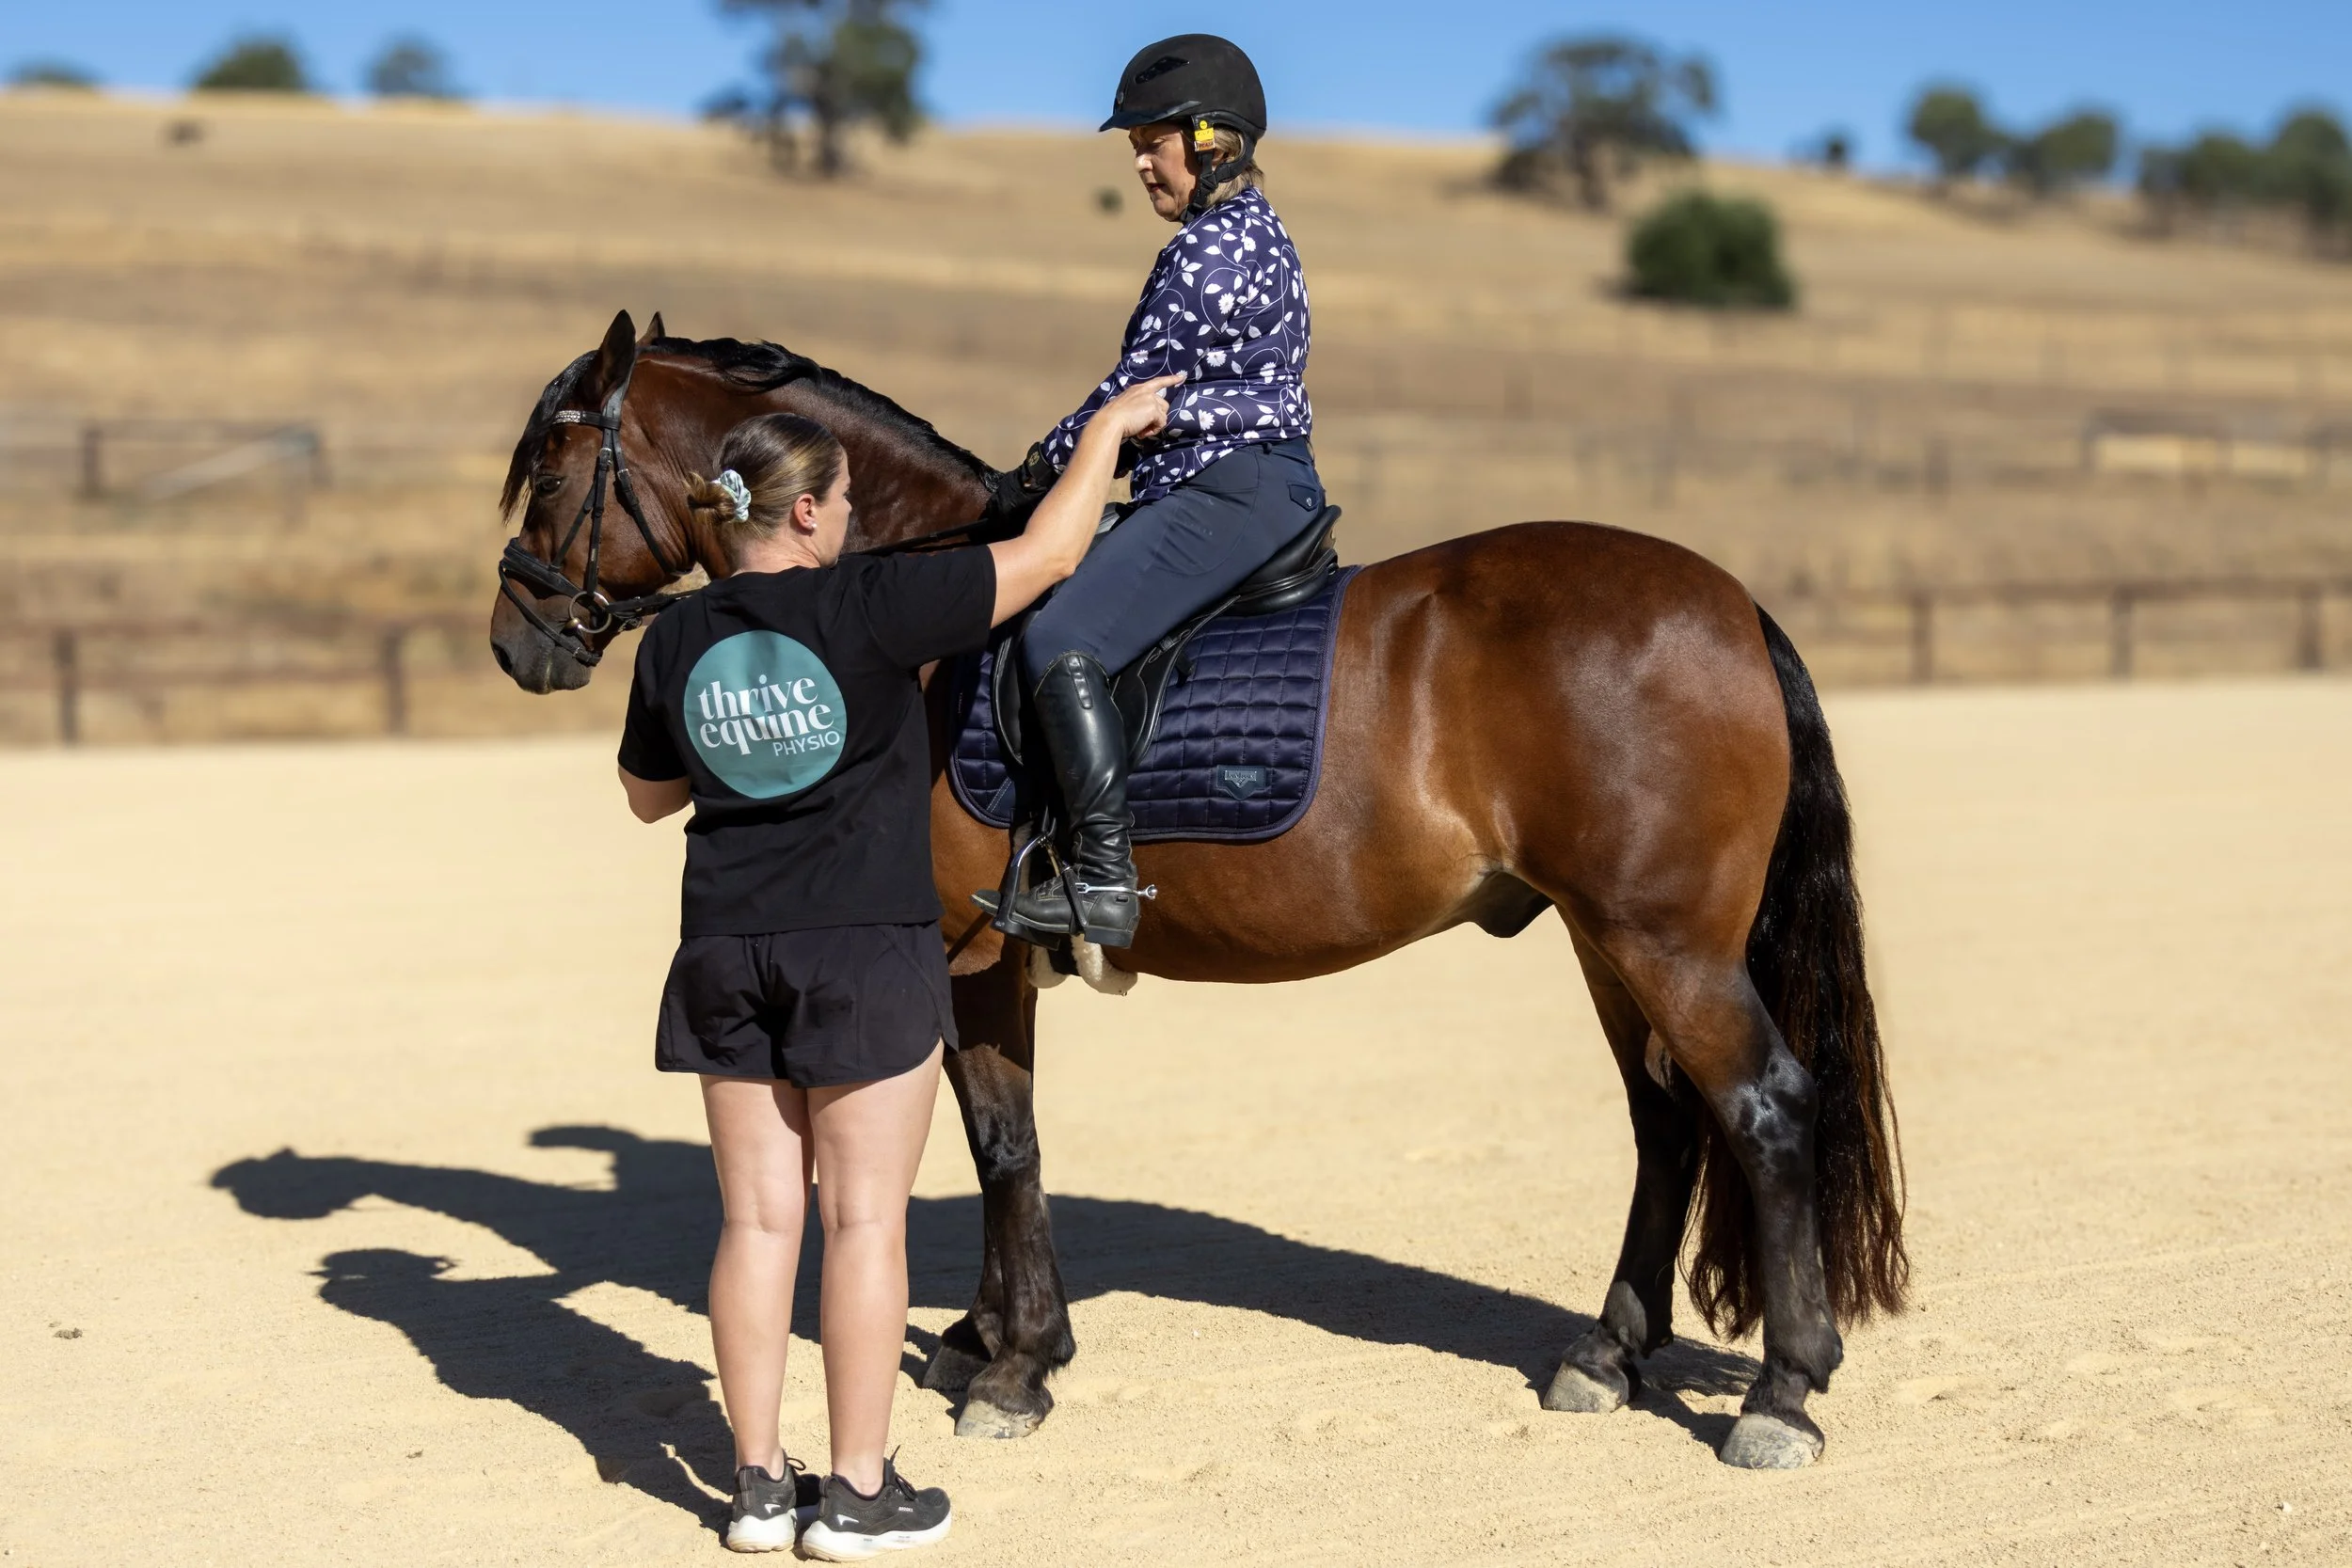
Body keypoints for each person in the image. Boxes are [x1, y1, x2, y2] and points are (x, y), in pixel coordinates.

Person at [614, 374, 1182, 1557]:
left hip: (725, 946)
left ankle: (759, 1487)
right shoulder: (873, 603)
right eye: (847, 500)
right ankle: (859, 1491)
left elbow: (645, 796)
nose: (854, 518)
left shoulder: (674, 636)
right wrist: (1111, 434)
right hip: (863, 949)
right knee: (865, 1222)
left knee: (757, 1225)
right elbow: (1046, 555)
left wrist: (737, 735)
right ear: (811, 513)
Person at [975, 33, 1325, 951]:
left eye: (1152, 140)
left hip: (1224, 487)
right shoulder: (1263, 234)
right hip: (1258, 481)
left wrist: (1034, 472)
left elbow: (1131, 399)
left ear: (1212, 141)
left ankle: (1100, 876)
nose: (1138, 161)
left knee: (1057, 637)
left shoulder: (1205, 252)